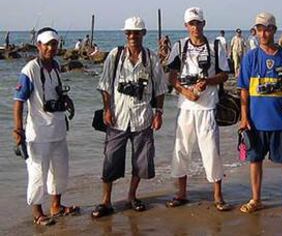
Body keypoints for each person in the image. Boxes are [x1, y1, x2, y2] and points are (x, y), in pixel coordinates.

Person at [92, 16, 168, 218]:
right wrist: (107, 109)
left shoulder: (151, 59)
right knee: (110, 161)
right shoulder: (115, 56)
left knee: (141, 161)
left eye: (137, 32)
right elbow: (105, 86)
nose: (133, 36)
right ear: (125, 34)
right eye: (129, 32)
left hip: (143, 117)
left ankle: (132, 196)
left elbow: (160, 89)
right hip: (118, 116)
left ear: (143, 33)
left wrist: (159, 113)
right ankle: (106, 201)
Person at [238, 12, 282, 216]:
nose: (263, 33)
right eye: (259, 29)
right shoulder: (250, 57)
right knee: (255, 161)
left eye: (267, 28)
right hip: (255, 122)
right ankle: (256, 199)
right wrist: (244, 117)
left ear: (274, 30)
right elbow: (243, 89)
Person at [165, 7, 231, 211]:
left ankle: (218, 196)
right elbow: (172, 76)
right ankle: (181, 193)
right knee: (181, 149)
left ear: (204, 24)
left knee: (211, 151)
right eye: (191, 23)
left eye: (198, 23)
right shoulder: (179, 46)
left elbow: (224, 75)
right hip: (185, 107)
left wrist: (207, 81)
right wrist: (186, 92)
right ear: (186, 26)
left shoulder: (215, 47)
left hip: (208, 107)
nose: (195, 27)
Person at [13, 27, 79, 226]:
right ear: (38, 45)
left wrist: (66, 100)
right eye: (47, 44)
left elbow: (55, 92)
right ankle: (37, 213)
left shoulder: (56, 66)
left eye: (54, 44)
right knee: (37, 174)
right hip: (38, 133)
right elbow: (18, 101)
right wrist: (18, 130)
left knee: (60, 170)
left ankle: (56, 206)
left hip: (58, 128)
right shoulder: (30, 69)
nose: (51, 48)